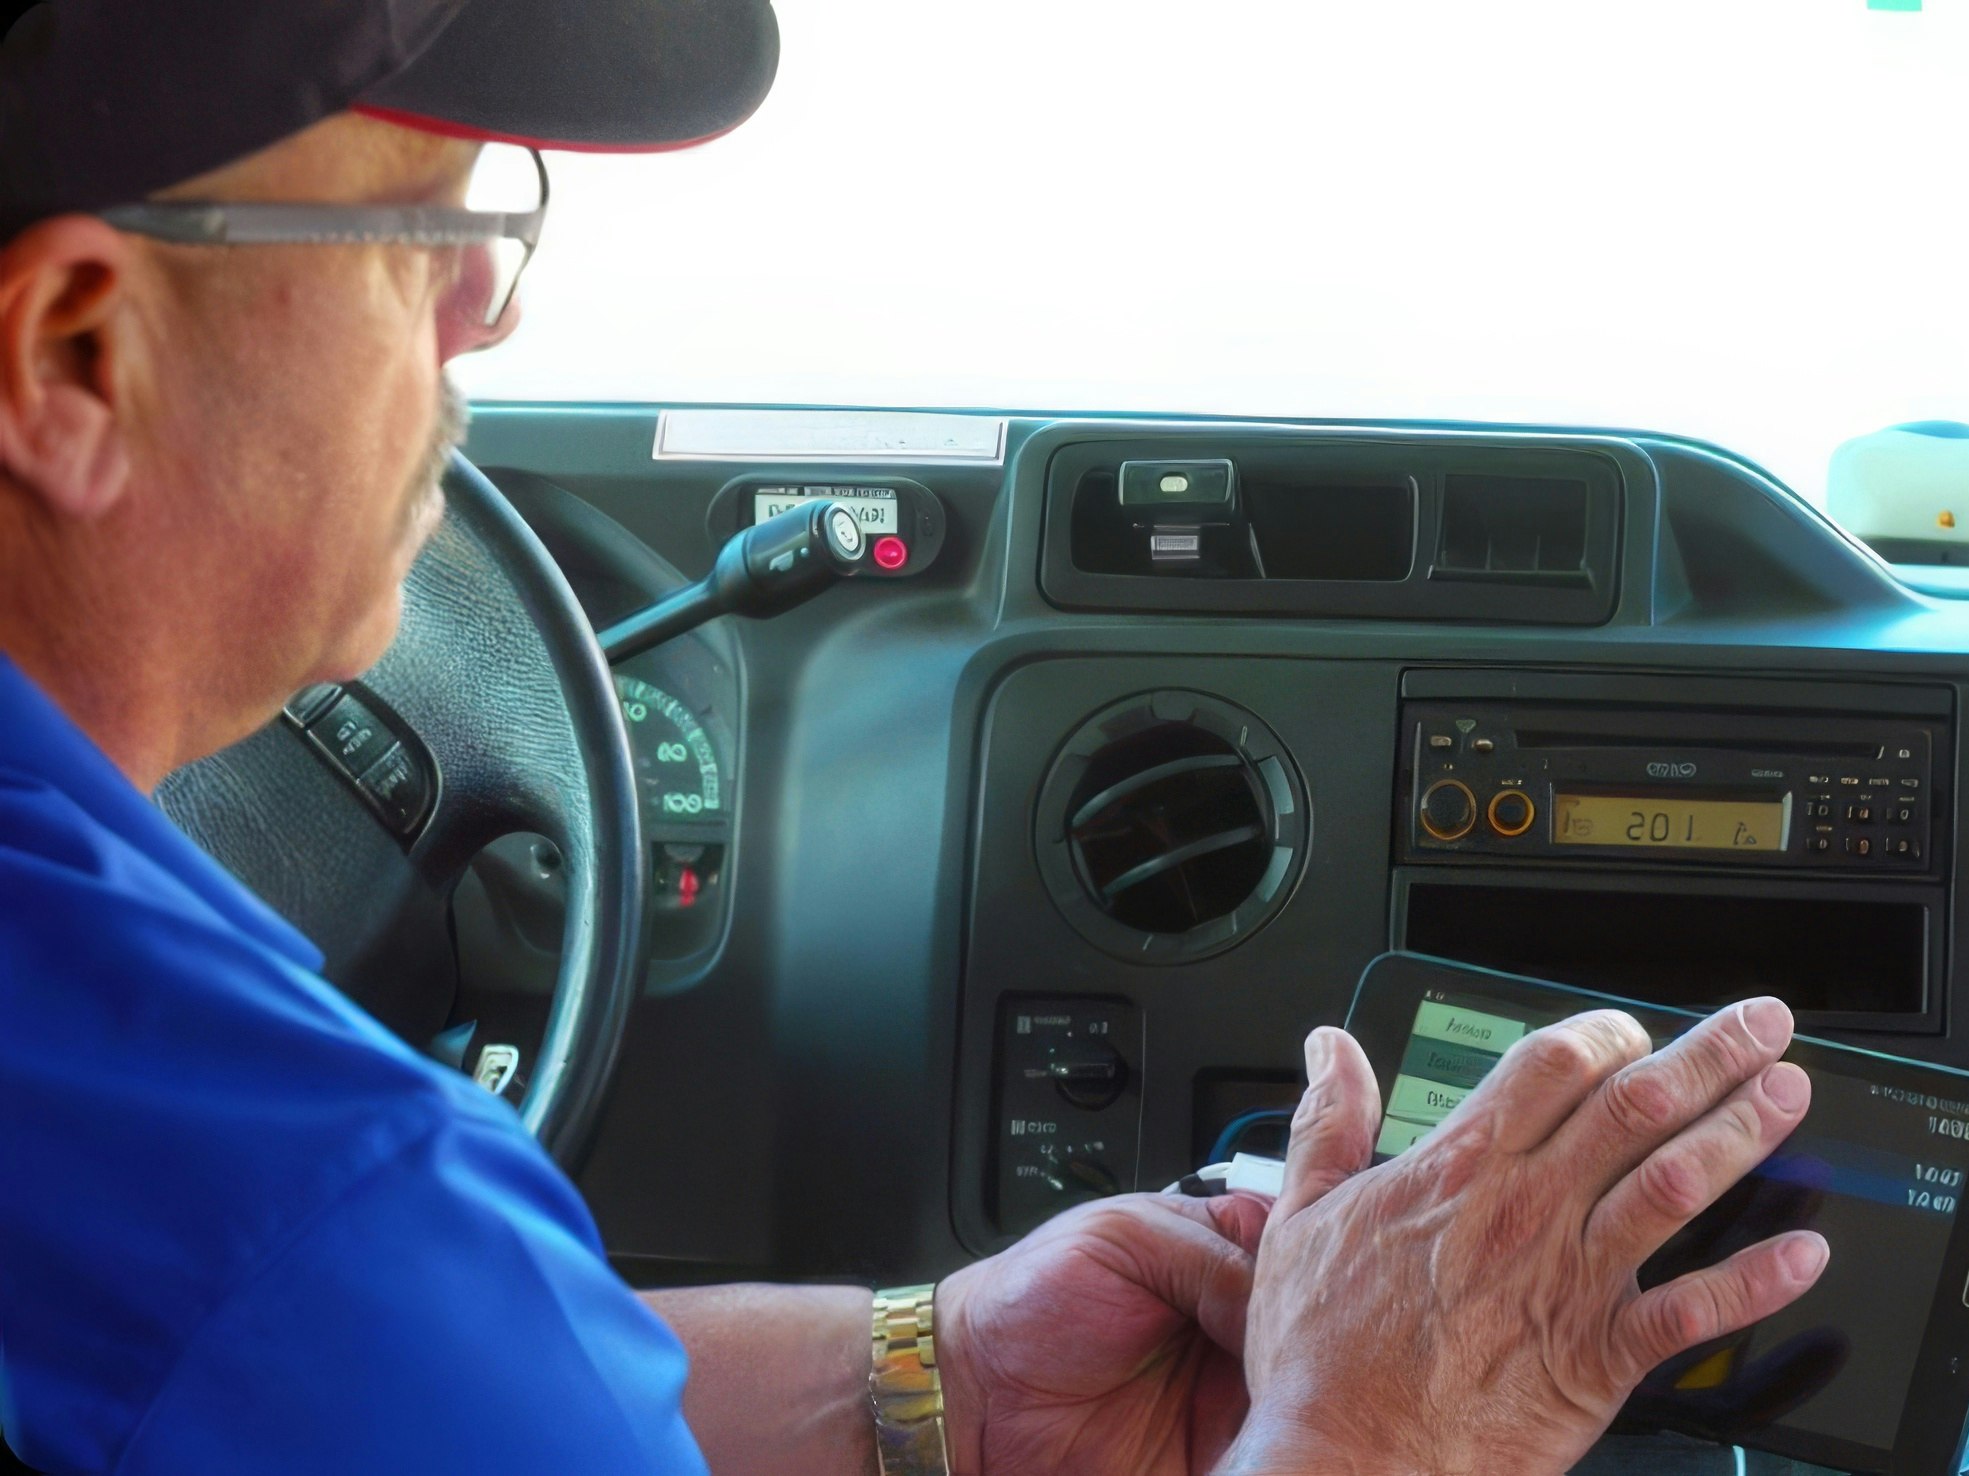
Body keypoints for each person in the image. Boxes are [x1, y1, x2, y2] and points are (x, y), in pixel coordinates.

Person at [0, 2, 1831, 1472]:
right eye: (428, 233)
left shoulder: (261, 1240)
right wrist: (1383, 1434)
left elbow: (420, 1398)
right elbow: (331, 1328)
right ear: (76, 354)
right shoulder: (288, 1211)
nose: (497, 304)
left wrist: (941, 1376)